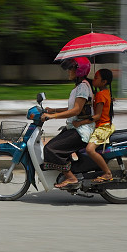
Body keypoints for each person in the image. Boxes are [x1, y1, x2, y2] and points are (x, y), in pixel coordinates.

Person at [40, 57, 94, 189]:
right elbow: (72, 108)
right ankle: (69, 172)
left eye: (71, 68)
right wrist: (53, 110)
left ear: (79, 70)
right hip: (75, 127)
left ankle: (71, 178)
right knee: (56, 144)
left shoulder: (83, 87)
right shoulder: (79, 87)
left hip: (82, 130)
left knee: (51, 149)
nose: (68, 71)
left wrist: (52, 116)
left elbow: (76, 110)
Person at [80, 69, 116, 182]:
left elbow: (97, 116)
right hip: (106, 125)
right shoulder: (105, 93)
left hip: (102, 128)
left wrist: (80, 122)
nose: (93, 79)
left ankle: (107, 173)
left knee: (90, 150)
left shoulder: (101, 95)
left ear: (104, 82)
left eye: (96, 78)